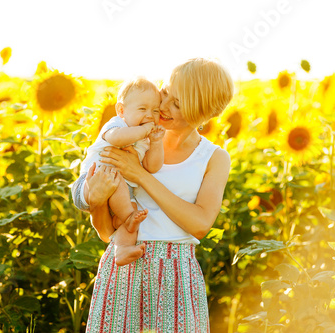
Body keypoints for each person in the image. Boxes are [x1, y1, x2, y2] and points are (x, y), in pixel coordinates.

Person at [80, 58, 234, 332]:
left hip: (177, 272)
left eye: (176, 103)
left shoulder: (213, 158)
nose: (162, 106)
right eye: (165, 92)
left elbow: (200, 225)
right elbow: (105, 231)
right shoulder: (134, 138)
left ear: (202, 113)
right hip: (124, 264)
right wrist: (96, 202)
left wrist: (140, 176)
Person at [72, 77, 165, 266]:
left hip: (121, 192)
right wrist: (145, 130)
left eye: (155, 111)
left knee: (132, 218)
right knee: (127, 207)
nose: (149, 115)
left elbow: (152, 166)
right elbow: (117, 139)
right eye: (142, 109)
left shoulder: (145, 140)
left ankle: (122, 249)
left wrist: (155, 144)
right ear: (121, 110)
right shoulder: (116, 125)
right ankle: (127, 218)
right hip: (91, 183)